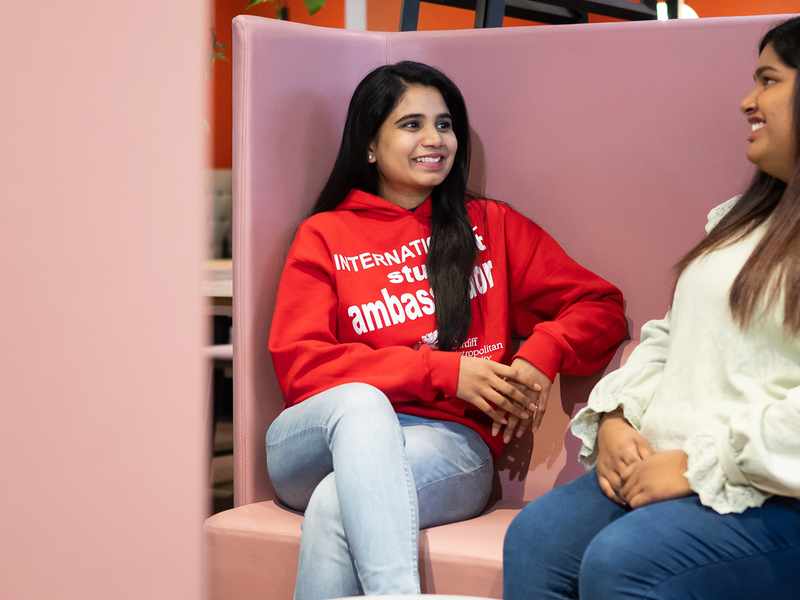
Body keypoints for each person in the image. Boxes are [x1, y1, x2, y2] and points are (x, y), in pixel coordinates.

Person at [266, 60, 627, 600]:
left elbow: (599, 305)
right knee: (361, 405)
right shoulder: (325, 235)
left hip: (448, 445)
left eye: (445, 124)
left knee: (338, 503)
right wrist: (444, 371)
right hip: (318, 439)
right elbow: (301, 366)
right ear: (369, 144)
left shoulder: (490, 227)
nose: (434, 139)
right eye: (411, 124)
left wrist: (540, 354)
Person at [503, 16, 800, 600]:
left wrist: (699, 465)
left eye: (767, 80)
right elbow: (669, 338)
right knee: (536, 540)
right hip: (679, 470)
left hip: (771, 487)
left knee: (625, 562)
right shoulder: (734, 222)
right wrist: (619, 419)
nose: (748, 101)